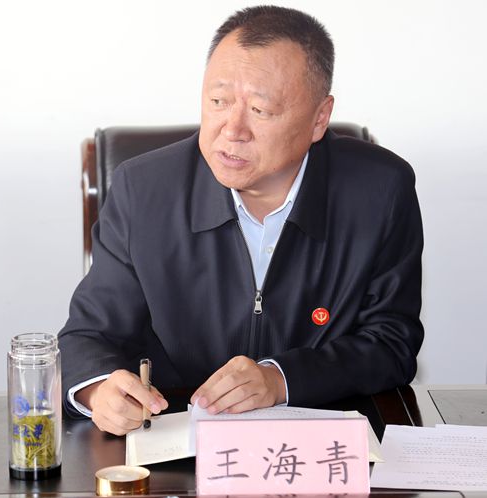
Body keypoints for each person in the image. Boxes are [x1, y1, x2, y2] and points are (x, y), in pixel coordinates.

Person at [58, 5, 424, 436]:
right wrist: (98, 391)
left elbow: (391, 342)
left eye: (260, 110)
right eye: (219, 102)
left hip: (319, 440)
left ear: (319, 119)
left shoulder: (380, 191)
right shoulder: (144, 190)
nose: (232, 130)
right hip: (173, 442)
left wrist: (279, 379)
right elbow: (87, 336)